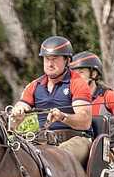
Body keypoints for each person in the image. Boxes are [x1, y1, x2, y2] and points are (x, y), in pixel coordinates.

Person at [11, 36, 93, 167]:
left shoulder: (77, 83)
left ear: (67, 60)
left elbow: (85, 122)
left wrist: (63, 117)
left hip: (77, 139)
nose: (50, 64)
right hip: (43, 142)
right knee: (15, 157)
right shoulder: (34, 86)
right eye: (47, 59)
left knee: (58, 156)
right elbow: (15, 120)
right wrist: (16, 113)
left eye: (55, 59)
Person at [70, 51, 114, 164]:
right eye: (74, 74)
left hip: (112, 157)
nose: (77, 78)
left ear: (93, 74)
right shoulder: (72, 99)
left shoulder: (108, 96)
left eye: (81, 72)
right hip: (87, 155)